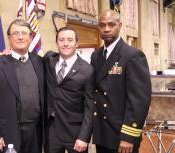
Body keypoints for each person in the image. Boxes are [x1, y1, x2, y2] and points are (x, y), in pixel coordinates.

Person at [90, 10, 151, 153]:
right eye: (102, 25)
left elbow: (139, 100)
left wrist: (129, 136)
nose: (106, 29)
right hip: (102, 133)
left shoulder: (132, 55)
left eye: (111, 25)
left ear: (120, 25)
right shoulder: (96, 56)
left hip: (121, 135)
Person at [0, 19, 44, 153]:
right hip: (7, 133)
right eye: (15, 33)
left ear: (31, 37)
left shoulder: (40, 62)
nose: (20, 37)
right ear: (9, 37)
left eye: (24, 33)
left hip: (36, 131)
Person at [44, 27, 94, 153]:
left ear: (76, 43)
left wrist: (84, 137)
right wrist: (8, 53)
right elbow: (30, 58)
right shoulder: (49, 60)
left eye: (70, 40)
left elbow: (90, 107)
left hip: (75, 132)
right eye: (61, 40)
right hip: (52, 130)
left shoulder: (87, 70)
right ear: (57, 43)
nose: (65, 43)